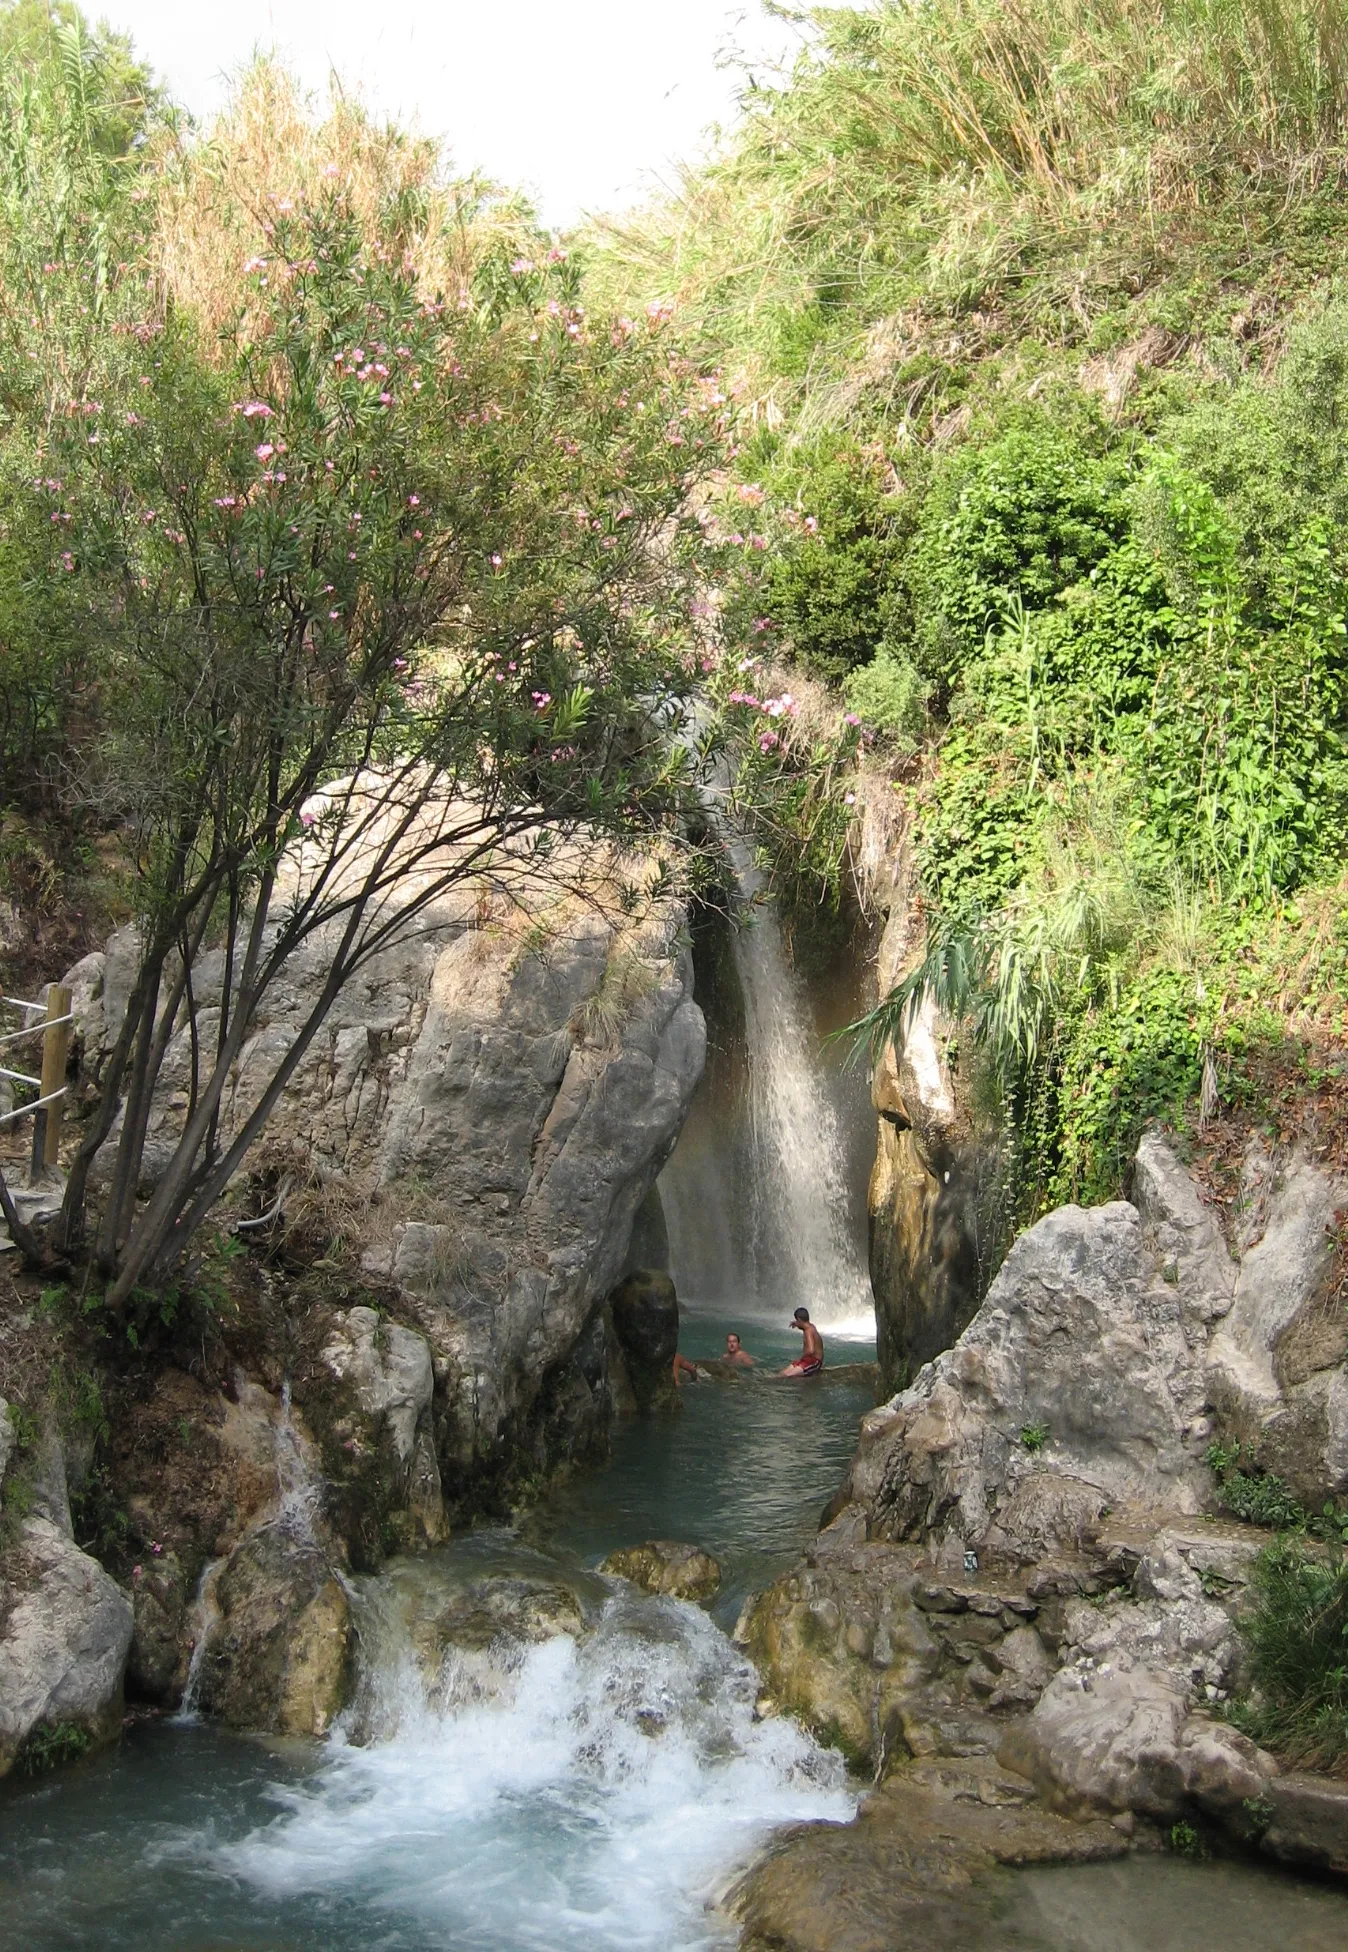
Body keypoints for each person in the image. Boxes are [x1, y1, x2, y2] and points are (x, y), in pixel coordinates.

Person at [780, 1306, 824, 1378]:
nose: (796, 1322)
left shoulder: (808, 1332)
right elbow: (803, 1324)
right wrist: (796, 1323)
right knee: (782, 1374)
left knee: (788, 1375)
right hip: (807, 1360)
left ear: (799, 1320)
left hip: (815, 1362)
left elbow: (810, 1350)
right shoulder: (811, 1326)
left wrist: (802, 1358)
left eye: (797, 1320)